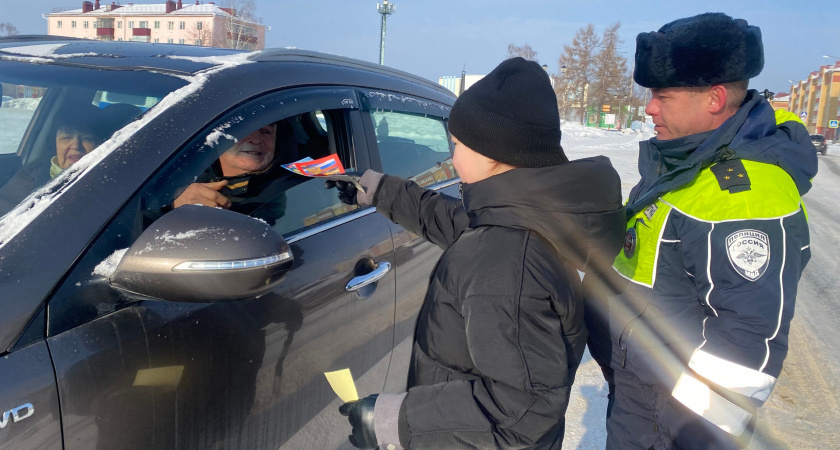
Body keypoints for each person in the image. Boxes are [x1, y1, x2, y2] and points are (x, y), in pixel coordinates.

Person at [331, 57, 626, 449]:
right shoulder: (523, 219)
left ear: (491, 154)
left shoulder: (508, 260)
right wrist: (377, 188)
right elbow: (450, 219)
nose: (449, 158)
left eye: (456, 146)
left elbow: (523, 411)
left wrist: (390, 421)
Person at [588, 13, 818, 449]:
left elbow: (747, 339)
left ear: (713, 99)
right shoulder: (682, 163)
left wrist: (693, 432)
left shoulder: (743, 197)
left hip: (675, 420)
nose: (650, 107)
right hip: (644, 393)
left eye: (663, 96)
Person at [0, 103, 139, 215]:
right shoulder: (32, 175)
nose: (75, 146)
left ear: (100, 144)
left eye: (87, 138)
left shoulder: (115, 183)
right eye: (66, 138)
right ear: (55, 143)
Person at [169, 121, 302, 225]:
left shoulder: (290, 187)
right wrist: (173, 204)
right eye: (244, 130)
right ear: (216, 137)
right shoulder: (174, 173)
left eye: (266, 131)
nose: (256, 140)